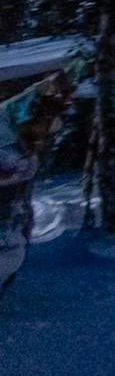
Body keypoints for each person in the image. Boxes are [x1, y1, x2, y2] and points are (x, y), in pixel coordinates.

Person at [1, 70, 73, 298]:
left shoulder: (22, 152)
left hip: (13, 223)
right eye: (39, 126)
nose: (41, 135)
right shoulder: (10, 140)